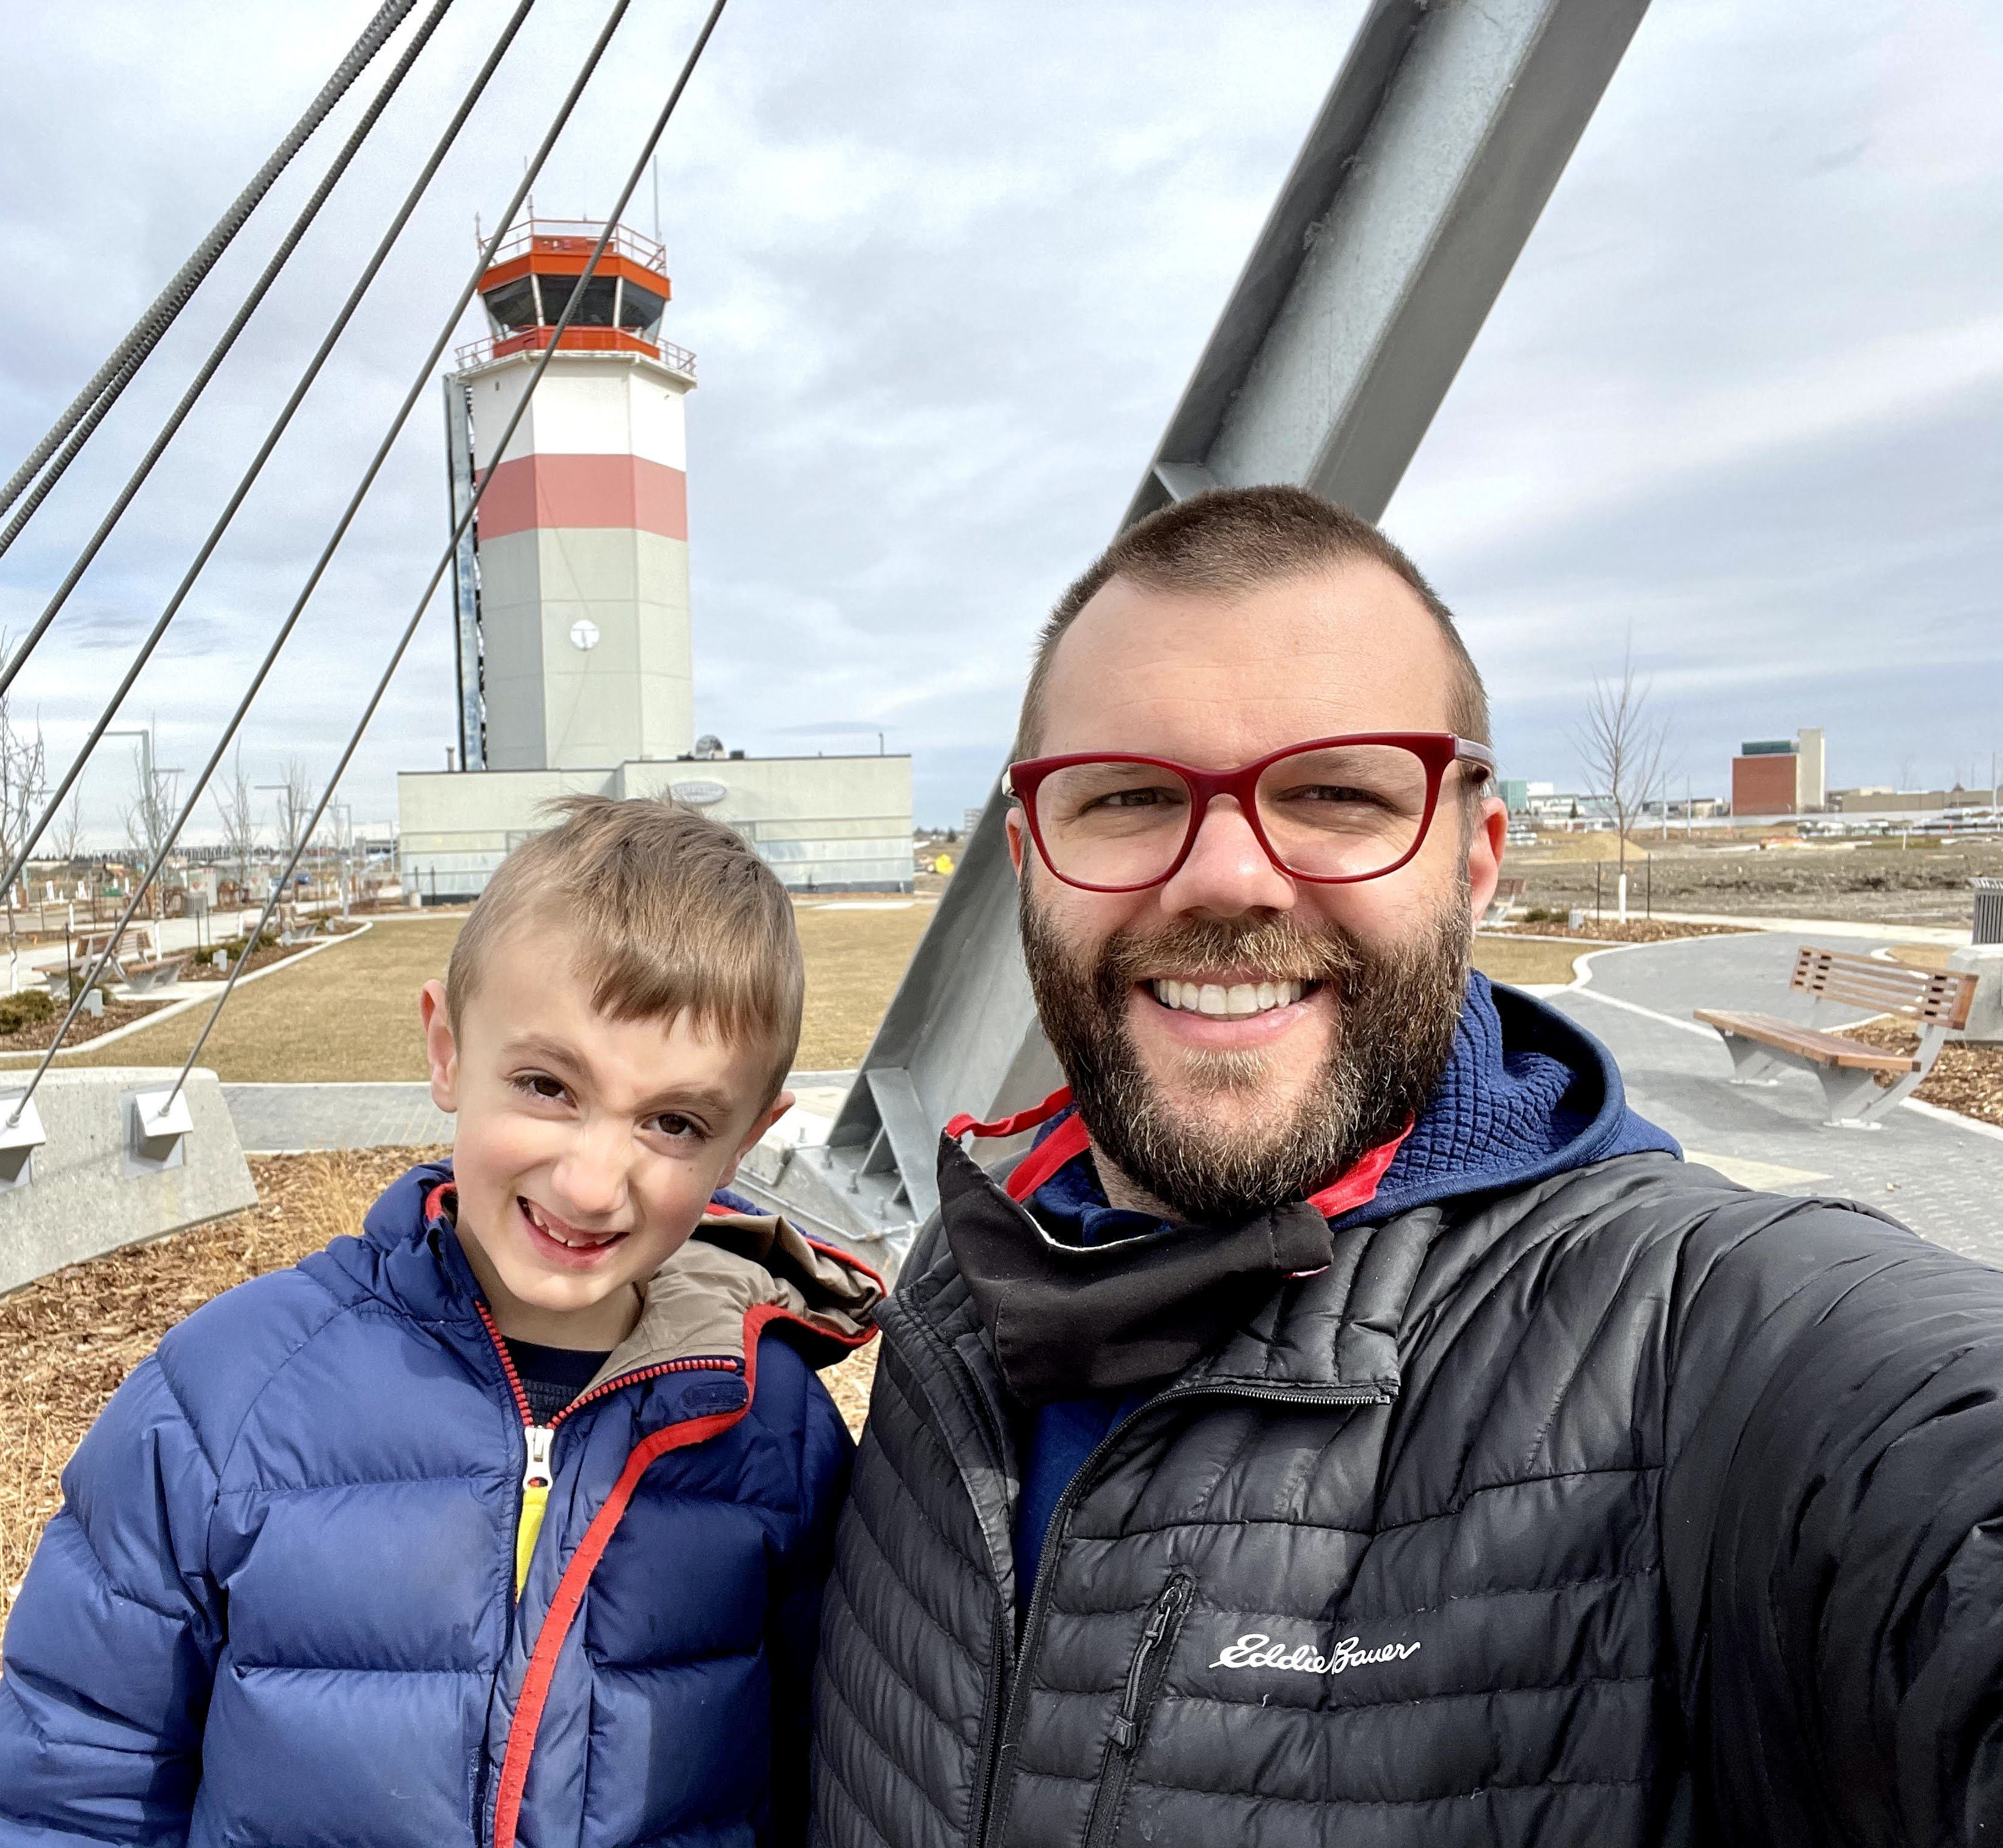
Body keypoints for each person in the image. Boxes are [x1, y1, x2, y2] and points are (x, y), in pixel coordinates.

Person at [811, 485, 2003, 1846]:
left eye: (1333, 791)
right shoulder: (965, 1283)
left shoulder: (1687, 1340)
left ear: (1474, 857)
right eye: (1130, 796)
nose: (1225, 878)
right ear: (1030, 857)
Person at [0, 795, 880, 1847]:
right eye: (546, 1084)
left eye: (674, 1123)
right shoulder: (224, 1400)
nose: (591, 1184)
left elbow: (823, 1777)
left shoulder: (772, 1431)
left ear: (748, 1143)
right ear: (447, 1051)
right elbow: (77, 1779)